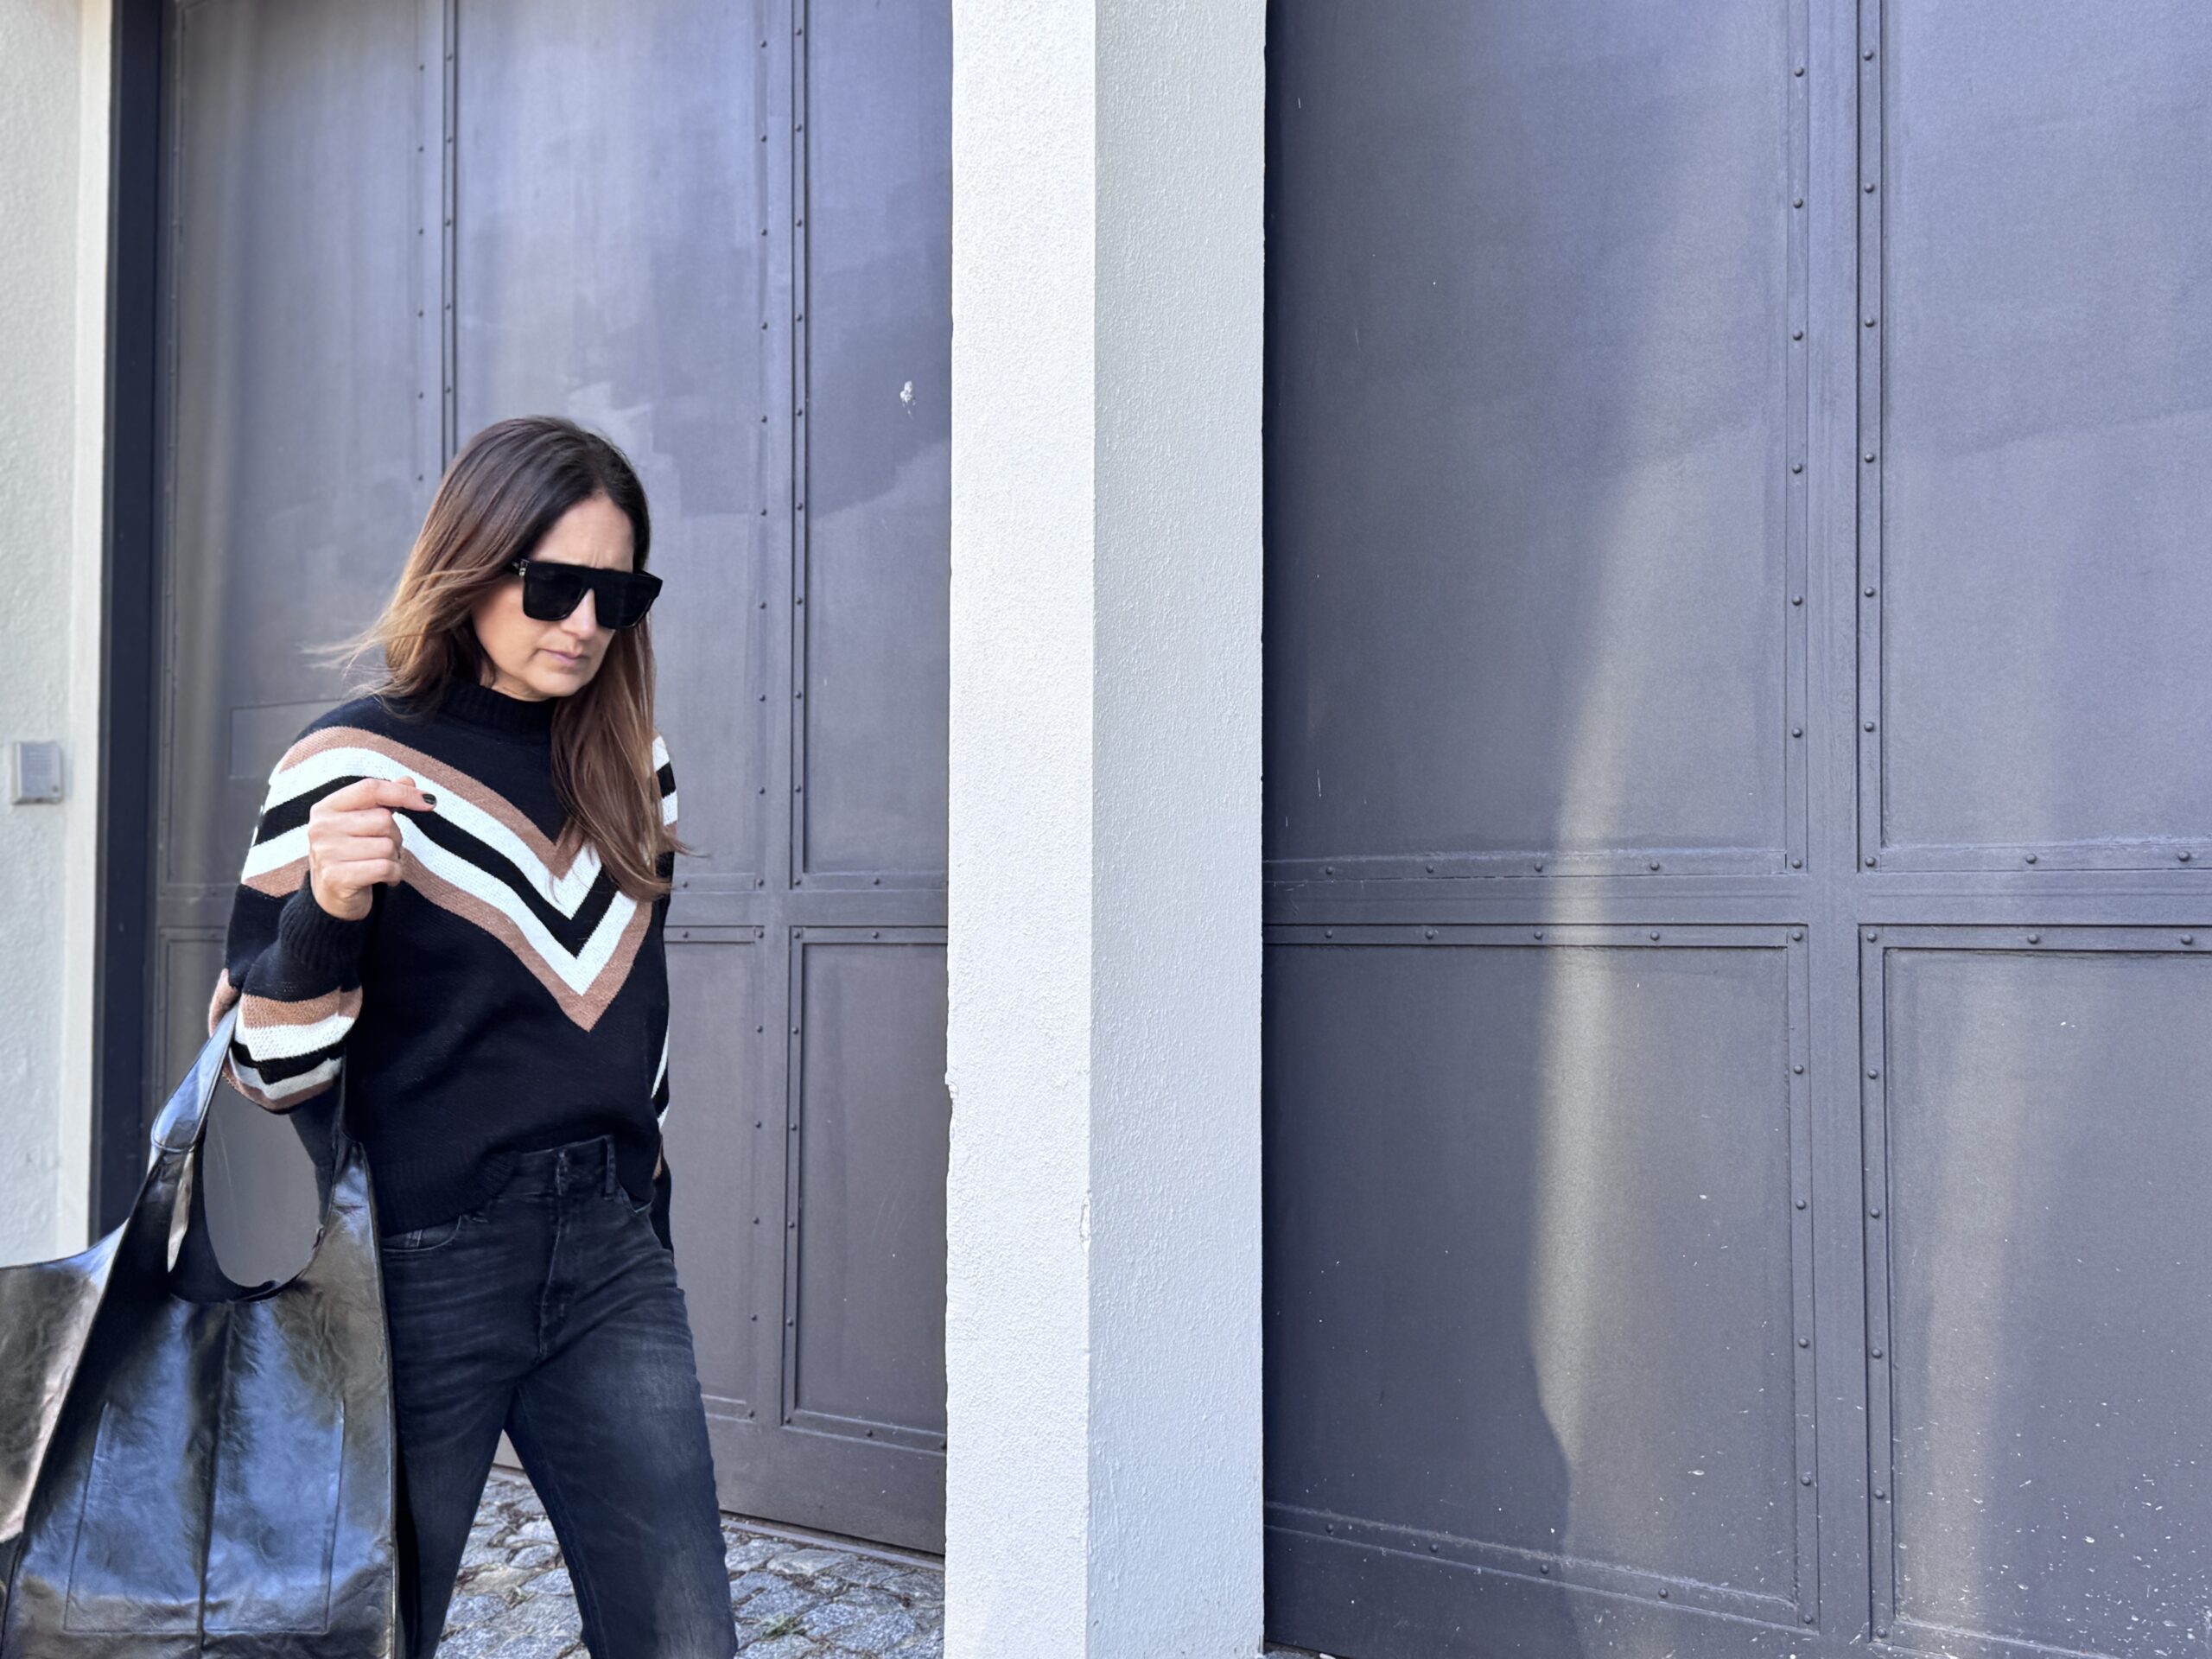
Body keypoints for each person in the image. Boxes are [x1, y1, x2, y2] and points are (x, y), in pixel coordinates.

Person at [200, 414, 738, 1658]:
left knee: (685, 1636)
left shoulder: (635, 767)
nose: (586, 624)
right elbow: (271, 1069)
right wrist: (328, 910)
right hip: (420, 1262)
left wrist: (646, 1204)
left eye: (620, 595)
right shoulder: (346, 765)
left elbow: (636, 1023)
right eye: (554, 586)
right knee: (370, 1632)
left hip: (612, 1255)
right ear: (474, 565)